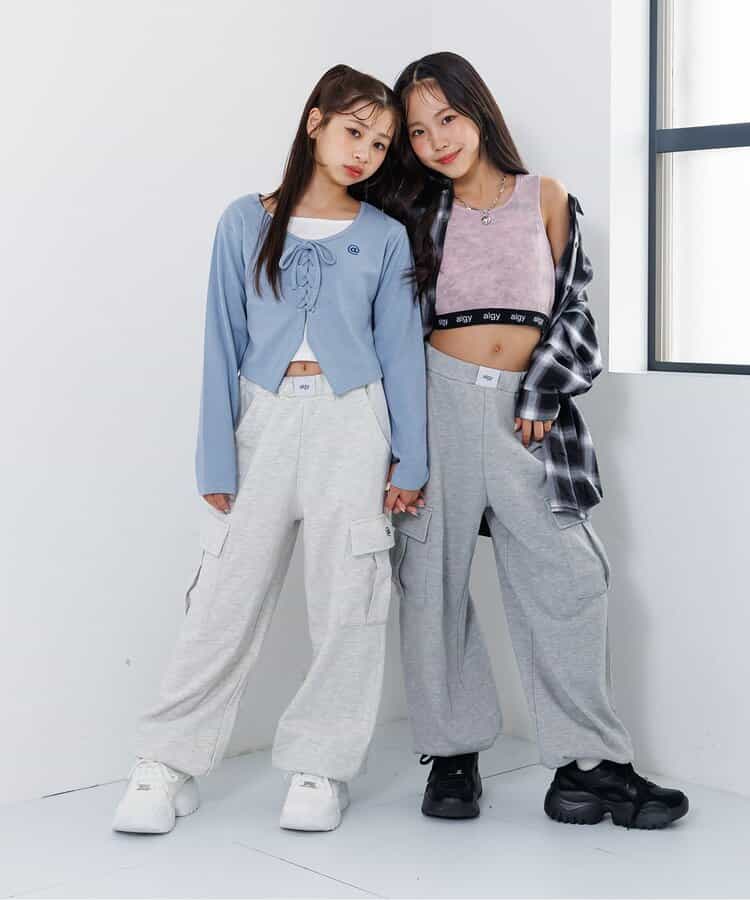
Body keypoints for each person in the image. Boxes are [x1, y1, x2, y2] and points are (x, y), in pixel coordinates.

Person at [112, 64, 428, 835]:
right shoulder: (243, 222)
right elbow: (220, 341)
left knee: (349, 601)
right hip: (263, 422)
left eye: (381, 144)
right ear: (315, 122)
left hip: (356, 426)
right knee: (222, 599)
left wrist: (411, 457)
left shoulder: (385, 236)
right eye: (354, 131)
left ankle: (321, 767)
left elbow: (402, 352)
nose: (365, 153)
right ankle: (166, 763)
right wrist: (215, 455)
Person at [386, 52, 688, 829]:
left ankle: (588, 768)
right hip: (436, 407)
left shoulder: (545, 198)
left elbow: (574, 310)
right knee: (431, 580)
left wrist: (544, 386)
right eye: (417, 131)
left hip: (528, 414)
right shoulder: (414, 214)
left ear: (478, 111)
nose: (436, 140)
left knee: (571, 577)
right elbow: (385, 321)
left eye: (447, 118)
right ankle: (453, 756)